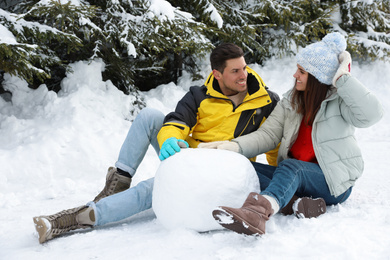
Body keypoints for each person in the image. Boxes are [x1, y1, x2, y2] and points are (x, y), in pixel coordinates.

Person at [33, 43, 281, 243]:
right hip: (190, 160)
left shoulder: (265, 101)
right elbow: (177, 120)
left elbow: (272, 141)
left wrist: (281, 175)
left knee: (151, 190)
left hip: (223, 173)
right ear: (217, 74)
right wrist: (171, 139)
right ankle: (118, 183)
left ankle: (75, 218)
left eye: (244, 68)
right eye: (235, 71)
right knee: (150, 117)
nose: (243, 76)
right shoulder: (199, 95)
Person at [201, 32, 383, 236]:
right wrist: (232, 146)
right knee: (245, 168)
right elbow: (268, 135)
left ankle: (257, 214)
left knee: (290, 168)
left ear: (317, 77)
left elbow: (372, 114)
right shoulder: (291, 101)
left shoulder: (340, 101)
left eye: (302, 71)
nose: (295, 75)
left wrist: (343, 79)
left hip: (333, 182)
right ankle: (297, 204)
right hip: (297, 177)